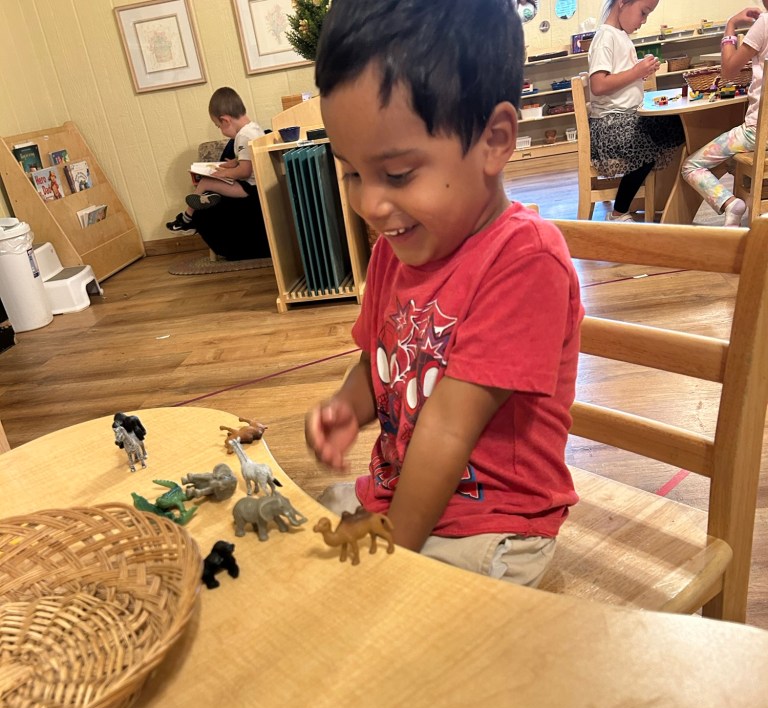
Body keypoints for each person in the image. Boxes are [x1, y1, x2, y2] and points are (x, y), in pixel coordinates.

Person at [304, 0, 582, 587]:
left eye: (397, 174)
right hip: (400, 497)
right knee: (295, 539)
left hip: (494, 528)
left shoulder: (526, 258)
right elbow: (376, 365)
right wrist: (346, 407)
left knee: (376, 618)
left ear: (494, 140)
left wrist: (391, 555)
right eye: (351, 172)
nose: (369, 204)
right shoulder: (395, 251)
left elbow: (449, 427)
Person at [587, 0, 685, 221]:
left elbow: (619, 77)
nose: (643, 21)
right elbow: (598, 85)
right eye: (643, 12)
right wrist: (636, 72)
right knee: (645, 144)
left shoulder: (620, 35)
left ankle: (660, 196)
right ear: (622, 2)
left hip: (625, 118)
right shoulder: (605, 36)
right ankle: (619, 212)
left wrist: (641, 71)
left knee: (676, 124)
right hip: (609, 125)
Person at [681, 4, 768, 227]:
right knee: (732, 161)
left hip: (758, 133)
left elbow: (728, 71)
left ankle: (730, 203)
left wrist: (731, 24)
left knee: (691, 166)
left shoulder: (765, 23)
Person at [166, 86, 264, 233]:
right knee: (212, 183)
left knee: (206, 181)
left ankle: (187, 219)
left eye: (218, 126)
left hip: (250, 188)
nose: (221, 130)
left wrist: (224, 174)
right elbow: (251, 157)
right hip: (256, 184)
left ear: (225, 120)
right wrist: (234, 162)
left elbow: (245, 171)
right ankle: (207, 199)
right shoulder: (254, 128)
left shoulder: (243, 136)